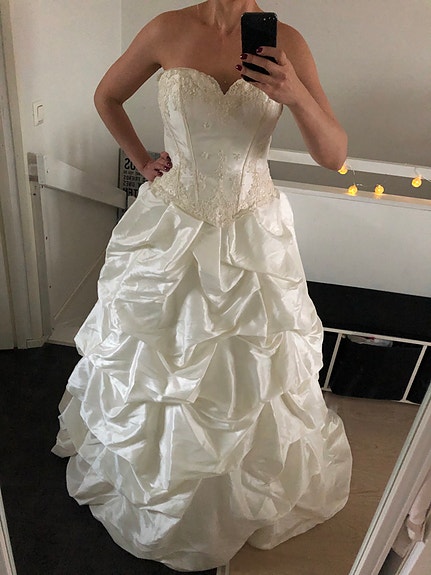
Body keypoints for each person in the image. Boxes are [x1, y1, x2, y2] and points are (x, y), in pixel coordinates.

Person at [52, 1, 352, 571]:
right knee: (159, 367)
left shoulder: (287, 40)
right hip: (171, 228)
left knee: (251, 377)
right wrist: (143, 161)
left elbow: (334, 155)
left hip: (252, 240)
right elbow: (107, 96)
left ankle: (234, 503)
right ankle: (163, 494)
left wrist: (295, 94)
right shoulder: (166, 28)